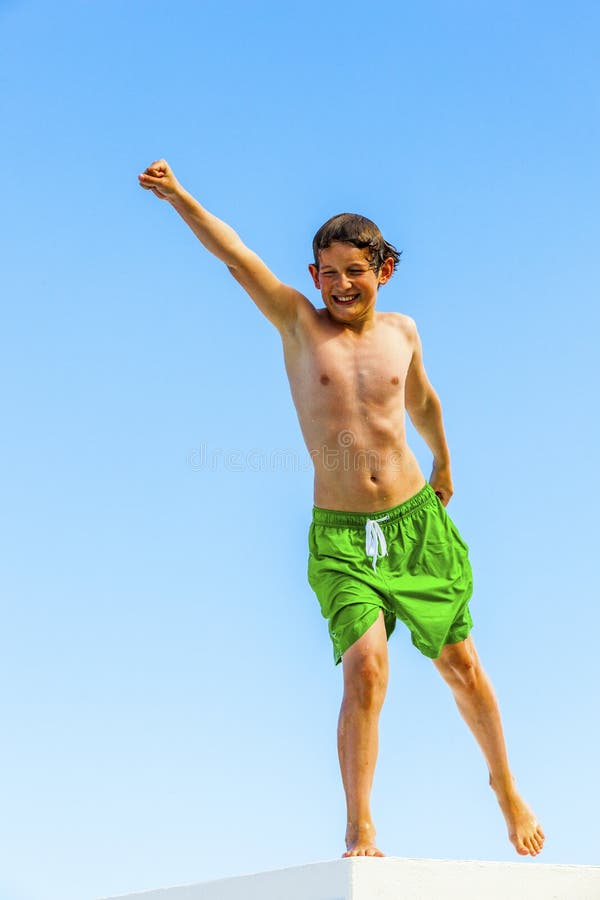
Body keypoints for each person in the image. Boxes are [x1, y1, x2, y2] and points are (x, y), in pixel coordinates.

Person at [138, 160, 545, 859]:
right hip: (343, 539)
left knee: (462, 666)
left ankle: (504, 786)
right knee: (366, 668)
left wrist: (445, 460)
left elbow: (423, 401)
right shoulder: (299, 325)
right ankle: (360, 824)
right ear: (313, 273)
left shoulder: (403, 334)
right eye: (328, 272)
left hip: (417, 526)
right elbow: (234, 255)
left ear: (382, 270)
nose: (341, 284)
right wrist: (179, 196)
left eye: (355, 270)